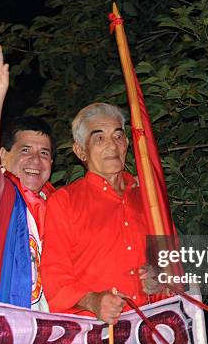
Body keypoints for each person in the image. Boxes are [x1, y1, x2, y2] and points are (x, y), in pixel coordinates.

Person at [41, 103, 159, 325]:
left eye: (118, 136)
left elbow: (172, 265)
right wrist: (94, 301)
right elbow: (54, 277)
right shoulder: (64, 201)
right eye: (99, 139)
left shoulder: (149, 199)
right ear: (80, 151)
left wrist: (160, 280)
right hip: (94, 338)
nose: (112, 146)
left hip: (152, 334)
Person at [0, 45, 55, 310]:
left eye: (44, 153)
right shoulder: (5, 194)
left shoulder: (61, 204)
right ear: (3, 156)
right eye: (25, 150)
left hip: (54, 334)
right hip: (2, 331)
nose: (35, 160)